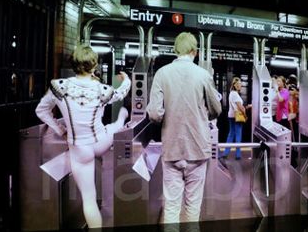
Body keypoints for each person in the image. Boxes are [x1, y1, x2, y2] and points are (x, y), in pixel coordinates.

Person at [35, 45, 131, 228]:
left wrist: (60, 129)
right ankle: (121, 120)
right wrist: (127, 80)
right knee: (113, 128)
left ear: (74, 65)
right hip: (101, 141)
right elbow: (121, 93)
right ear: (94, 65)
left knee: (89, 200)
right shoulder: (102, 89)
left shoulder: (59, 87)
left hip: (79, 148)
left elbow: (41, 111)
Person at [146, 32, 221, 224]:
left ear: (175, 50)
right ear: (194, 51)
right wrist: (202, 115)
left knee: (171, 207)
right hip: (198, 148)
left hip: (172, 148)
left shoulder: (162, 73)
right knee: (192, 209)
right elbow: (216, 109)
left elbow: (154, 113)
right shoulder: (204, 75)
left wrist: (166, 116)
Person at [222, 77, 252, 160]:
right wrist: (245, 116)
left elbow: (237, 106)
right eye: (238, 84)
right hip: (237, 117)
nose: (240, 85)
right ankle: (238, 155)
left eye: (240, 84)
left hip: (231, 116)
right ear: (234, 85)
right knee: (238, 135)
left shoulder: (232, 93)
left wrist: (246, 107)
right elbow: (240, 108)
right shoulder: (235, 94)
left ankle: (225, 153)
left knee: (231, 134)